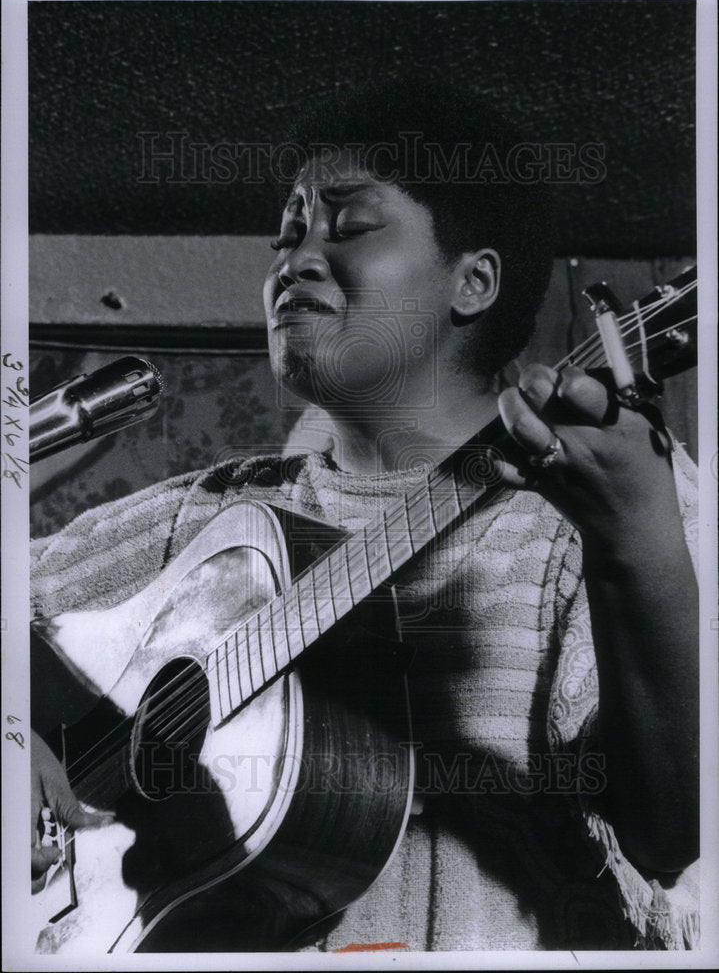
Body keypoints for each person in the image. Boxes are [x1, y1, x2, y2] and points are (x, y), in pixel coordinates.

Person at [30, 81, 699, 952]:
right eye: (288, 234)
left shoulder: (609, 509)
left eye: (346, 229)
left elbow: (671, 832)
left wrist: (633, 548)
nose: (294, 261)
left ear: (475, 282)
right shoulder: (206, 514)